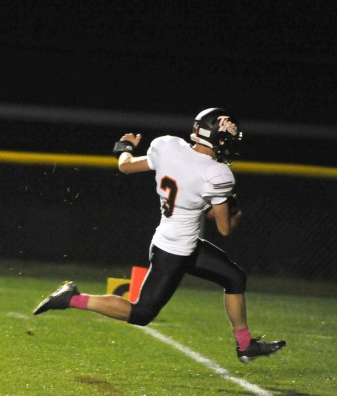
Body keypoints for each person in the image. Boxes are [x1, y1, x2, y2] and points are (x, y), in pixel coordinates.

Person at [33, 108, 286, 364]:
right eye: (226, 138)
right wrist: (236, 212)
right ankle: (72, 298)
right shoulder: (218, 174)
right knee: (142, 313)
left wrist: (125, 147)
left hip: (177, 242)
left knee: (234, 277)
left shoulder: (168, 146)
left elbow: (126, 166)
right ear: (216, 137)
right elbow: (224, 228)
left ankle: (245, 345)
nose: (228, 143)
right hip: (174, 252)